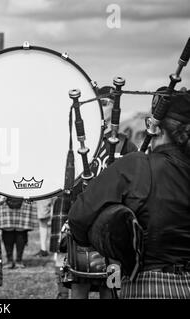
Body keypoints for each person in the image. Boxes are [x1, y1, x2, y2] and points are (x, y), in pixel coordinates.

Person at [69, 89, 190, 298]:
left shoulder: (137, 165)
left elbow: (79, 217)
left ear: (157, 128)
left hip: (150, 286)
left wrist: (110, 246)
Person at [62, 85, 138, 299]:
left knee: (110, 285)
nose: (104, 108)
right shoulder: (80, 140)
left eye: (109, 104)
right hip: (82, 217)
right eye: (102, 103)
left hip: (111, 221)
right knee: (79, 284)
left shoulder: (124, 144)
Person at [0, 198, 38, 269]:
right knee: (8, 228)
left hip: (23, 196)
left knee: (20, 229)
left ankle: (17, 260)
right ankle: (11, 261)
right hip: (10, 197)